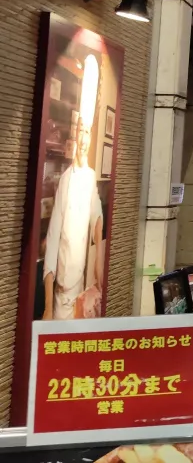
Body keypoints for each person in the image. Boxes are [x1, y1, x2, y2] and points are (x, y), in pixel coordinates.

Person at [44, 54, 104, 320]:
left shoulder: (90, 177)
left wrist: (100, 272)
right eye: (78, 133)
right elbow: (54, 236)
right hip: (60, 293)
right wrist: (47, 306)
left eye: (86, 134)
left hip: (80, 289)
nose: (81, 140)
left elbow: (98, 223)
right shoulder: (66, 179)